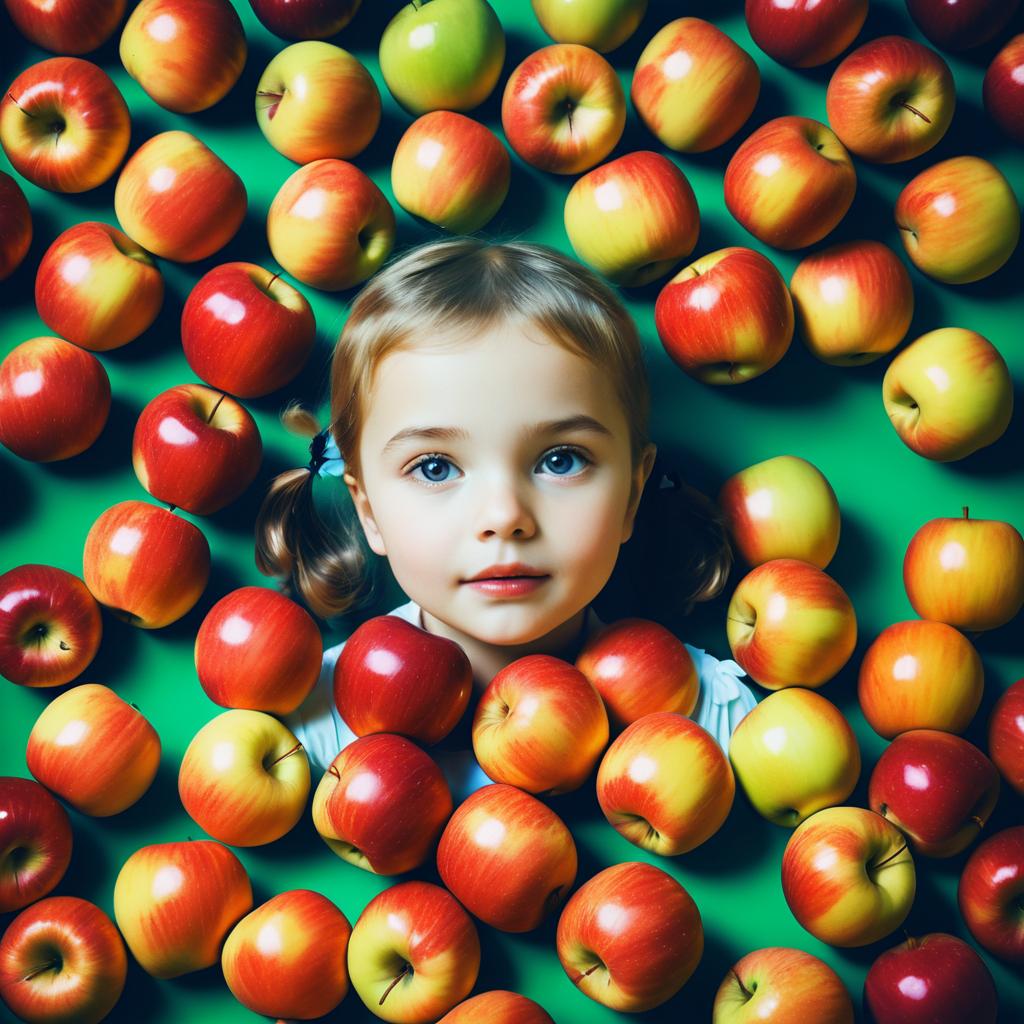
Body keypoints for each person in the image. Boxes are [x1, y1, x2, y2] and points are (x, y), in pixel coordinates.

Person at [255, 238, 756, 801]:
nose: (505, 517)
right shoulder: (304, 739)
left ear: (631, 497)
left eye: (560, 460)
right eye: (436, 468)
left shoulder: (713, 723)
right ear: (369, 509)